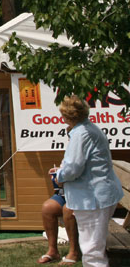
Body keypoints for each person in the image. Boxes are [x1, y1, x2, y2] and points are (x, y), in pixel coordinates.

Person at [52, 95, 123, 267]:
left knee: (92, 250)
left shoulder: (81, 133)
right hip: (99, 194)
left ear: (67, 116)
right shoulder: (89, 128)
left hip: (93, 198)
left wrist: (59, 176)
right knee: (94, 246)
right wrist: (61, 171)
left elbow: (73, 168)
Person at [39, 190, 80, 264]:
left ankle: (74, 252)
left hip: (82, 193)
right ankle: (53, 251)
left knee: (68, 209)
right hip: (64, 193)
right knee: (47, 207)